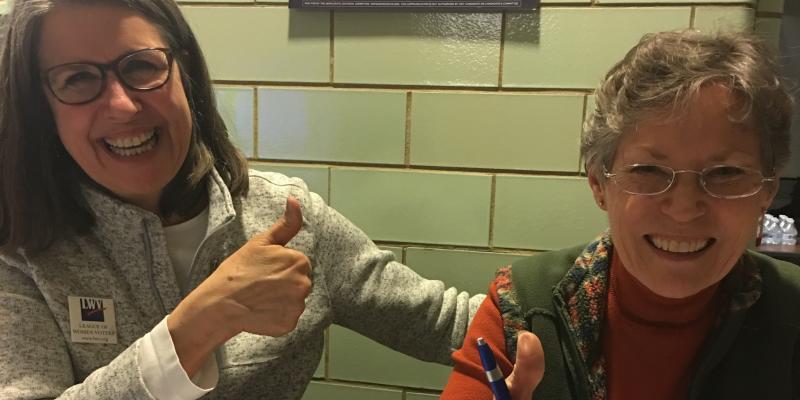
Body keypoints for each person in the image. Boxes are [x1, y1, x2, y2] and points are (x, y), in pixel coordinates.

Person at [0, 1, 482, 399]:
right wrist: (199, 324)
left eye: (141, 66)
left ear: (184, 72)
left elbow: (445, 322)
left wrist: (529, 298)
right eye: (77, 79)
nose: (123, 105)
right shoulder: (19, 255)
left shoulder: (287, 216)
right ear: (41, 107)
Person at [441, 30, 800, 400]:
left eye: (726, 173)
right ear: (599, 184)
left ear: (767, 191)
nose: (683, 209)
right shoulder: (524, 306)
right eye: (648, 170)